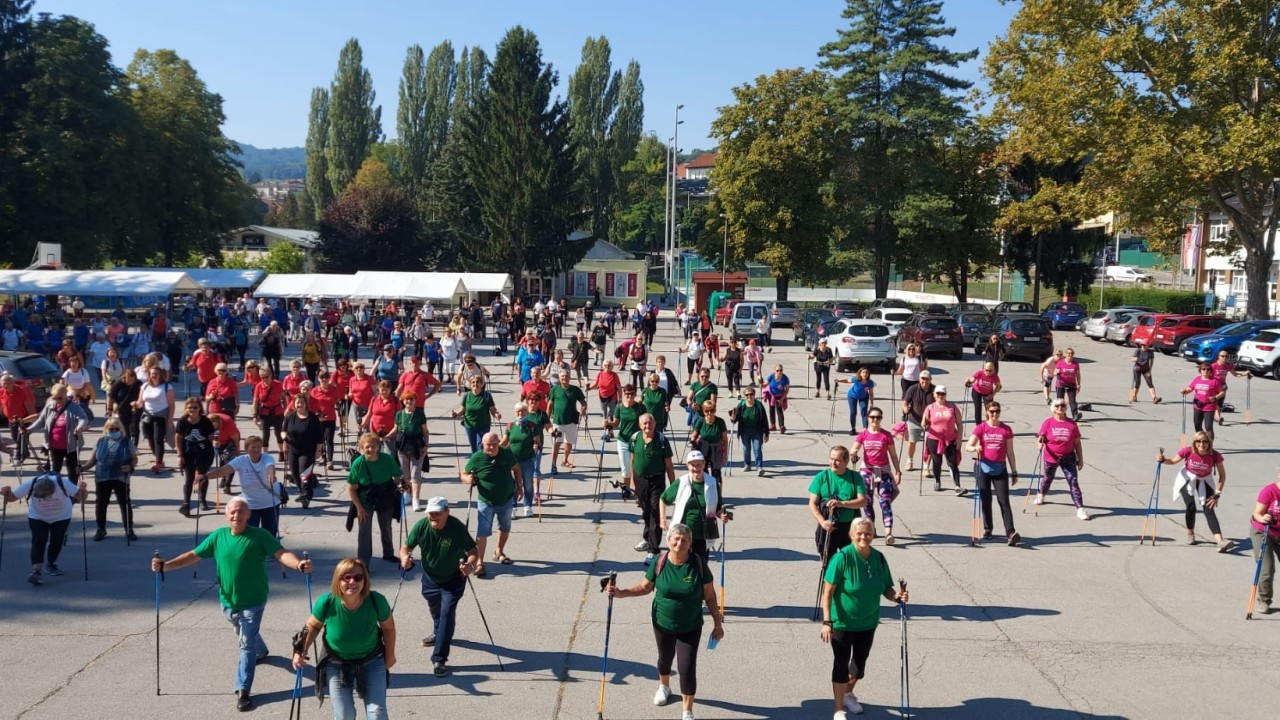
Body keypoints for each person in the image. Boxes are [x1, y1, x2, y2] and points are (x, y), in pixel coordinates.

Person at [150, 497, 313, 712]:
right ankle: (261, 651)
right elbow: (192, 555)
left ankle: (243, 690)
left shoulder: (259, 536)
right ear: (227, 515)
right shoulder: (218, 537)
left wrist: (299, 564)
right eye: (232, 512)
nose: (236, 515)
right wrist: (165, 567)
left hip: (254, 600)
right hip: (228, 601)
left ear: (248, 515)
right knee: (244, 633)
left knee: (245, 644)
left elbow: (281, 553)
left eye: (240, 512)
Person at [606, 523, 725, 720]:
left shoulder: (698, 564)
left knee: (686, 667)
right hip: (662, 622)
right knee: (664, 658)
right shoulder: (660, 562)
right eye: (676, 538)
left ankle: (687, 711)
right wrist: (620, 593)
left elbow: (710, 596)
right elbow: (644, 587)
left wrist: (717, 624)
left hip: (690, 626)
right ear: (669, 541)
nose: (679, 542)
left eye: (684, 539)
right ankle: (664, 686)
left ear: (690, 543)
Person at [820, 516, 910, 718]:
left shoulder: (878, 558)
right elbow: (828, 592)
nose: (864, 537)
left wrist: (897, 597)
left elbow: (886, 587)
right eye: (859, 533)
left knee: (859, 667)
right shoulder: (842, 558)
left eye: (868, 533)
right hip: (842, 622)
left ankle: (849, 693)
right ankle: (839, 709)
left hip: (868, 622)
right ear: (852, 535)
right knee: (841, 664)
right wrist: (827, 621)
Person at [292, 558, 397, 720]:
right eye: (346, 577)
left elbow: (388, 628)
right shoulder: (327, 602)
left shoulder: (377, 600)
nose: (352, 582)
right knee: (344, 715)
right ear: (337, 580)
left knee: (377, 713)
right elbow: (312, 626)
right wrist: (301, 651)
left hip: (372, 660)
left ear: (365, 580)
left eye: (358, 577)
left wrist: (390, 656)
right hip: (336, 663)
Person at [401, 496, 479, 677]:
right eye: (430, 514)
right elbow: (406, 547)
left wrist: (471, 566)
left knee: (446, 613)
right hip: (430, 578)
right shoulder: (421, 526)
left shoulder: (457, 527)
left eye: (437, 513)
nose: (433, 517)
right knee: (435, 609)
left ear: (446, 512)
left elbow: (473, 551)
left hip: (454, 579)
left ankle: (439, 658)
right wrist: (405, 558)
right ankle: (438, 633)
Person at [1, 469, 87, 585]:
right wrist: (6, 492)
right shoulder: (31, 483)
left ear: (53, 491)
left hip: (61, 515)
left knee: (57, 540)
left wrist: (83, 490)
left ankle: (50, 563)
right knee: (38, 540)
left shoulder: (62, 483)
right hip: (38, 516)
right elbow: (12, 498)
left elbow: (81, 496)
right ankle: (36, 571)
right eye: (38, 497)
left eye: (44, 496)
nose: (41, 499)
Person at [1157, 434, 1234, 551]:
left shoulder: (1215, 455)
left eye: (1205, 442)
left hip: (1205, 480)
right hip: (1187, 478)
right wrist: (1162, 460)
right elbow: (1172, 461)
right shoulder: (1187, 451)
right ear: (1194, 442)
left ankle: (1220, 541)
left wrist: (1217, 494)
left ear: (1209, 443)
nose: (1202, 444)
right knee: (1191, 506)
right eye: (1198, 441)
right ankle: (1190, 533)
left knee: (1209, 508)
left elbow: (1222, 476)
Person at [461, 432, 523, 575]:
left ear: (499, 443)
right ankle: (479, 563)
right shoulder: (477, 458)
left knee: (505, 527)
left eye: (495, 444)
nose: (491, 447)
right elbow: (463, 473)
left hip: (506, 499)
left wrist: (519, 486)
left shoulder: (506, 454)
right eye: (488, 444)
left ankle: (499, 551)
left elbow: (516, 468)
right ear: (483, 444)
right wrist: (468, 479)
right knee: (482, 532)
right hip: (486, 501)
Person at [201, 435, 284, 538]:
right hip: (250, 505)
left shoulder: (267, 458)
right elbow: (223, 470)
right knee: (250, 535)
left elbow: (270, 467)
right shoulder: (241, 460)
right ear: (247, 449)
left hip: (270, 503)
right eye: (253, 447)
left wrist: (271, 475)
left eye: (258, 447)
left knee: (269, 535)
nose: (256, 450)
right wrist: (205, 476)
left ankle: (271, 553)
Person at [965, 400, 1021, 545]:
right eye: (992, 412)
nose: (995, 414)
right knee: (986, 499)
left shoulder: (1006, 429)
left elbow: (1010, 452)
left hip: (1000, 468)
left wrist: (1014, 472)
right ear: (987, 413)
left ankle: (1010, 532)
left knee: (1004, 501)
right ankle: (988, 529)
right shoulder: (981, 428)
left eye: (997, 411)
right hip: (983, 467)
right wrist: (975, 448)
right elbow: (968, 446)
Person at [661, 452, 729, 564]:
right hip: (682, 534)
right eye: (692, 465)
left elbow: (717, 508)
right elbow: (663, 499)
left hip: (702, 534)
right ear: (688, 466)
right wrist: (662, 519)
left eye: (698, 464)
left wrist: (722, 515)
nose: (696, 468)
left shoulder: (712, 482)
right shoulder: (681, 482)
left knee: (701, 566)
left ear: (704, 465)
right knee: (680, 564)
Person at [348, 432, 405, 566]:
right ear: (362, 448)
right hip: (365, 498)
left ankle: (388, 553)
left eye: (374, 446)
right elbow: (351, 488)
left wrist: (402, 485)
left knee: (386, 526)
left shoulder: (388, 459)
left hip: (385, 496)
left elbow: (398, 478)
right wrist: (359, 508)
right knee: (364, 530)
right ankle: (363, 562)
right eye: (367, 447)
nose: (371, 450)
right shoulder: (358, 463)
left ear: (378, 447)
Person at [80, 416, 138, 541]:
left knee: (125, 503)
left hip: (121, 477)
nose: (114, 431)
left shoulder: (126, 441)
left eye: (116, 428)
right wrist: (83, 468)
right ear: (106, 429)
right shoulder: (100, 441)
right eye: (111, 429)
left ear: (120, 429)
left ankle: (129, 529)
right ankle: (101, 529)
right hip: (102, 476)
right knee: (101, 503)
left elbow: (134, 458)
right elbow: (93, 460)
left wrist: (130, 466)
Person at [850, 407, 902, 544]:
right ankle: (871, 528)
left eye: (878, 417)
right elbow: (853, 449)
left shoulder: (886, 435)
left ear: (881, 419)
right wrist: (854, 452)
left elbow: (893, 455)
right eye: (872, 417)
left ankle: (888, 534)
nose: (875, 420)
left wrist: (897, 471)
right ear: (868, 418)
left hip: (883, 472)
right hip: (866, 471)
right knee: (867, 503)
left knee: (885, 502)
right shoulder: (863, 434)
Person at [631, 413, 676, 563]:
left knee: (655, 512)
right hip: (640, 480)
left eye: (650, 423)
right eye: (644, 423)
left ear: (655, 424)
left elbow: (669, 466)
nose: (647, 426)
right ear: (640, 425)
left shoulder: (662, 441)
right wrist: (632, 481)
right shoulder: (635, 438)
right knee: (646, 511)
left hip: (657, 480)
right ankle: (647, 538)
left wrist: (673, 487)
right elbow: (633, 460)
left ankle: (653, 549)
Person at [808, 446, 868, 556]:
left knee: (849, 563)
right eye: (831, 459)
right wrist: (822, 522)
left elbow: (863, 501)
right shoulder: (821, 477)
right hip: (828, 527)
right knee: (829, 565)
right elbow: (812, 503)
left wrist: (841, 504)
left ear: (846, 461)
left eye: (837, 460)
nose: (833, 463)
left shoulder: (855, 477)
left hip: (849, 528)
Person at [23, 383, 90, 482]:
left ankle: (72, 495)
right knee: (53, 473)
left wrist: (79, 427)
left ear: (65, 395)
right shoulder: (50, 406)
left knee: (73, 472)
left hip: (71, 446)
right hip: (54, 446)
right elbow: (41, 421)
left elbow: (83, 419)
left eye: (60, 398)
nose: (57, 401)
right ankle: (55, 494)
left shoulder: (74, 407)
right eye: (55, 398)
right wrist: (29, 430)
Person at [1034, 399, 1089, 519]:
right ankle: (1041, 494)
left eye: (1063, 405)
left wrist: (1081, 459)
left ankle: (1080, 508)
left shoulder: (1071, 424)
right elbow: (1040, 439)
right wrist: (1040, 443)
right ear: (1053, 408)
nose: (1060, 407)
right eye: (1057, 406)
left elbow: (1077, 443)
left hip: (1068, 457)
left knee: (1073, 482)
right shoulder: (1048, 423)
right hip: (1051, 456)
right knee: (1047, 478)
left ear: (1066, 408)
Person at [176, 396, 217, 515]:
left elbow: (210, 436)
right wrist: (179, 455)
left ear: (200, 408)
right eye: (189, 407)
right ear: (186, 409)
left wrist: (215, 442)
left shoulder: (205, 421)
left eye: (195, 407)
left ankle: (202, 499)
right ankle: (186, 503)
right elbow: (178, 438)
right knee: (189, 479)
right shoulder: (182, 421)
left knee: (203, 476)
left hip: (204, 452)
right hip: (188, 453)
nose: (192, 410)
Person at [283, 393, 324, 508]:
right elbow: (283, 430)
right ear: (294, 405)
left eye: (302, 402)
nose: (299, 405)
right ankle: (303, 491)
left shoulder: (313, 418)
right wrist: (284, 438)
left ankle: (306, 496)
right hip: (293, 450)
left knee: (304, 473)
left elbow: (319, 436)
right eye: (297, 403)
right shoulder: (290, 417)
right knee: (295, 474)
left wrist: (318, 450)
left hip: (308, 451)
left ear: (306, 404)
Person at [1249, 466, 1280, 615]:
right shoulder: (1269, 491)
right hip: (1263, 532)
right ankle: (1264, 600)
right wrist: (1264, 518)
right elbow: (1257, 514)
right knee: (1267, 568)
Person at [922, 386, 964, 493]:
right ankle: (937, 481)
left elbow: (959, 424)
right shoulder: (930, 408)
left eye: (943, 394)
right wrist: (924, 424)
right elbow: (923, 424)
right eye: (938, 393)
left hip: (950, 439)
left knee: (952, 463)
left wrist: (959, 439)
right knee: (937, 462)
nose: (940, 396)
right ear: (934, 395)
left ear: (946, 395)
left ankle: (957, 486)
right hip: (934, 439)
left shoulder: (952, 406)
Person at [394, 391, 430, 512]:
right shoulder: (399, 414)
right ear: (403, 401)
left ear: (415, 400)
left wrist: (426, 445)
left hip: (417, 446)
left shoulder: (420, 414)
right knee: (405, 474)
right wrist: (384, 437)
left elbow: (425, 431)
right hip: (403, 446)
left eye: (411, 399)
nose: (409, 402)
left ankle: (416, 499)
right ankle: (407, 494)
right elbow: (395, 430)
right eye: (406, 399)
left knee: (415, 474)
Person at [607, 384, 644, 497]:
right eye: (627, 394)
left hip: (637, 441)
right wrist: (608, 424)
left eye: (632, 393)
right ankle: (627, 489)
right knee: (626, 467)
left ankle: (637, 490)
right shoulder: (620, 407)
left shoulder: (639, 407)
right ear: (623, 394)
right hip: (623, 441)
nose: (629, 396)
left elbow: (645, 422)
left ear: (635, 394)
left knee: (637, 467)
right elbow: (616, 424)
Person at [547, 371, 587, 472]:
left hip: (571, 421)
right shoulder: (554, 390)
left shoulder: (575, 389)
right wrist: (547, 420)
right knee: (557, 444)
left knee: (569, 442)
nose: (564, 378)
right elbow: (550, 404)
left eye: (566, 376)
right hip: (558, 422)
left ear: (570, 377)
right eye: (562, 376)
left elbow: (583, 402)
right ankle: (553, 465)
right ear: (559, 378)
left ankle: (565, 460)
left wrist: (583, 409)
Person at [451, 375, 500, 454]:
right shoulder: (467, 396)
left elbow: (493, 410)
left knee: (480, 446)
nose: (475, 384)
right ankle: (475, 464)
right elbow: (463, 409)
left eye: (478, 382)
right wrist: (456, 414)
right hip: (469, 425)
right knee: (473, 448)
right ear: (470, 385)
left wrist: (496, 414)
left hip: (483, 425)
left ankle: (481, 463)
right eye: (473, 382)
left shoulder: (487, 396)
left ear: (481, 384)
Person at [727, 384, 769, 475]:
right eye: (747, 395)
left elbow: (765, 420)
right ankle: (747, 465)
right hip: (745, 431)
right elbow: (735, 420)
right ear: (744, 396)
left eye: (751, 394)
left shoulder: (759, 406)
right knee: (746, 449)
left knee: (757, 449)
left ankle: (759, 467)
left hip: (757, 431)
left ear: (754, 395)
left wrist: (766, 433)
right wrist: (733, 417)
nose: (749, 396)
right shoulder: (741, 405)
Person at [1182, 362, 1226, 442]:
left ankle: (1209, 444)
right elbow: (1190, 388)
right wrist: (1185, 391)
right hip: (1197, 405)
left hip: (1209, 406)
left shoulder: (1215, 381)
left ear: (1211, 371)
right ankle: (1202, 441)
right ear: (1200, 370)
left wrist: (1215, 397)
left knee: (1208, 426)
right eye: (1203, 369)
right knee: (1197, 425)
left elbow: (1222, 392)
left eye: (1208, 369)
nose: (1206, 371)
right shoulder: (1197, 379)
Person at [689, 399, 729, 483]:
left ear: (715, 410)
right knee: (703, 471)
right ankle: (706, 492)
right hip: (703, 448)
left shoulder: (720, 422)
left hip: (716, 448)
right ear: (703, 411)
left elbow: (725, 440)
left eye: (712, 410)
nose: (709, 413)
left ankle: (718, 494)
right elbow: (694, 435)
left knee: (716, 473)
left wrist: (725, 455)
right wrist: (693, 443)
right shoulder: (700, 421)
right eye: (707, 411)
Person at [251, 364, 287, 454]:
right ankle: (265, 455)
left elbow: (284, 398)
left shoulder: (277, 384)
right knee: (265, 435)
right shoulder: (259, 386)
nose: (265, 379)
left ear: (271, 375)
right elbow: (255, 401)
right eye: (262, 377)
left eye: (266, 377)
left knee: (278, 434)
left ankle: (282, 452)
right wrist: (254, 416)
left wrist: (286, 410)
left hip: (277, 412)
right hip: (265, 413)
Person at [1209, 350, 1246, 425]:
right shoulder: (1214, 366)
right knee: (1215, 403)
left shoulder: (1228, 365)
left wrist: (1245, 374)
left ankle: (1217, 417)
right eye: (1222, 356)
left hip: (1222, 387)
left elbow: (1235, 374)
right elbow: (1208, 376)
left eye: (1226, 356)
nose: (1224, 358)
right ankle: (1218, 417)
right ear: (1218, 357)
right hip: (1214, 386)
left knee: (1219, 404)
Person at [835, 366, 875, 434]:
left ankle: (865, 430)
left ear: (868, 374)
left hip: (863, 397)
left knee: (864, 412)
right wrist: (839, 380)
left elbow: (871, 393)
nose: (865, 374)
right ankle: (853, 428)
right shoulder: (856, 379)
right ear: (860, 373)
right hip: (852, 396)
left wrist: (871, 403)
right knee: (853, 412)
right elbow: (847, 380)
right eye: (863, 372)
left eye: (866, 372)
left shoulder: (870, 382)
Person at [1053, 348, 1084, 421]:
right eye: (1068, 353)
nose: (1070, 355)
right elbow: (1054, 373)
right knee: (1060, 401)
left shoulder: (1075, 363)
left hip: (1071, 384)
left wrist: (1078, 384)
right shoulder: (1060, 363)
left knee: (1072, 401)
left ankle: (1075, 415)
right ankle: (1059, 414)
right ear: (1066, 354)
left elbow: (1078, 374)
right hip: (1061, 384)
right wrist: (1056, 372)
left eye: (1071, 353)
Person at [763, 364, 790, 433]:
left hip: (780, 395)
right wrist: (761, 384)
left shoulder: (785, 378)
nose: (779, 372)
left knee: (779, 410)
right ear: (775, 371)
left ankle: (782, 426)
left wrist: (782, 399)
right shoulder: (771, 376)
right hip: (771, 395)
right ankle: (773, 425)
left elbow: (787, 389)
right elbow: (766, 384)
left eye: (781, 370)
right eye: (777, 370)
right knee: (771, 409)